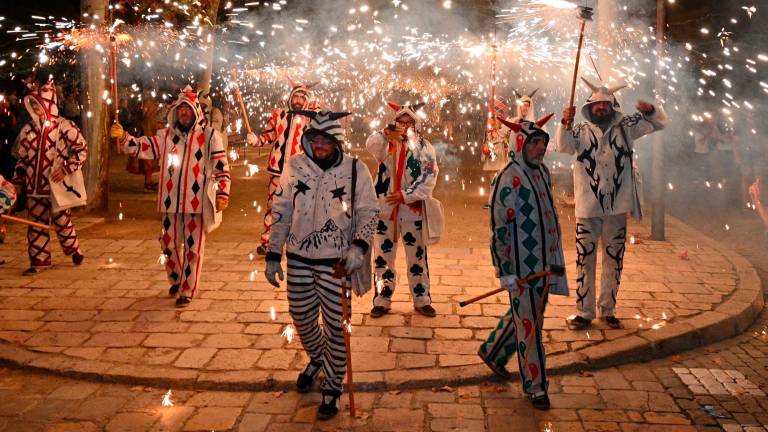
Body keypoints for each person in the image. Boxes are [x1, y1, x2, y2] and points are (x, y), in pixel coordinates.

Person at [264, 110, 378, 420]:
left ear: (337, 141)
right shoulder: (295, 166)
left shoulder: (357, 170)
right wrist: (274, 252)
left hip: (337, 264)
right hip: (299, 258)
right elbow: (281, 209)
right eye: (314, 139)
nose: (319, 144)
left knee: (337, 327)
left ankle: (332, 387)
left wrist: (358, 248)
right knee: (300, 317)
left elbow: (368, 212)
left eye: (325, 139)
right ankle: (318, 358)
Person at [556, 78, 667, 330]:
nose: (602, 108)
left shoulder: (625, 126)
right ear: (590, 107)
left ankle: (608, 309)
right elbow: (562, 147)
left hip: (617, 206)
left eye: (606, 104)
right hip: (587, 205)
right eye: (597, 104)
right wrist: (565, 122)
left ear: (613, 106)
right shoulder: (580, 129)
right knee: (585, 258)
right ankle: (584, 312)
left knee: (613, 258)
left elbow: (658, 123)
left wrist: (648, 110)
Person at [110, 85, 231, 308]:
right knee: (168, 242)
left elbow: (221, 167)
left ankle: (187, 289)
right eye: (180, 110)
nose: (184, 113)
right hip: (169, 201)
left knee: (193, 248)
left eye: (188, 110)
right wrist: (124, 137)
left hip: (196, 203)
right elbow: (142, 147)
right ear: (175, 112)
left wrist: (223, 192)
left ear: (195, 112)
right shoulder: (164, 136)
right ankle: (176, 278)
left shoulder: (209, 136)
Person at [479, 114, 566, 410]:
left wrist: (555, 258)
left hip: (543, 265)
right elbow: (499, 227)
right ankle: (536, 386)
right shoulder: (507, 177)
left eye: (543, 142)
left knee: (529, 317)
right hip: (521, 267)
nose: (540, 148)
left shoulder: (543, 172)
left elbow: (548, 216)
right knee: (530, 326)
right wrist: (505, 271)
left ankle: (492, 352)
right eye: (534, 143)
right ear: (520, 144)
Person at [366, 101, 440, 318]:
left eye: (409, 122)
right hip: (385, 210)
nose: (405, 125)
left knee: (416, 257)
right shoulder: (385, 143)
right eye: (401, 121)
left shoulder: (425, 147)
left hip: (412, 211)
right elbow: (370, 144)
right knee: (383, 256)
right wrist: (385, 133)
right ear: (395, 122)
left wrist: (406, 196)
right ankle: (382, 298)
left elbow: (429, 178)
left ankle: (421, 298)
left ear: (415, 124)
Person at [12, 79, 87, 274]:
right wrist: (18, 181)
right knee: (36, 225)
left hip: (56, 186)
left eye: (39, 104)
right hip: (34, 188)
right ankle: (39, 261)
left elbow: (81, 150)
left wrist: (66, 168)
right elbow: (21, 159)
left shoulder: (65, 127)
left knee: (62, 221)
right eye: (33, 104)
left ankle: (74, 249)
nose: (36, 108)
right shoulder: (28, 131)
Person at [250, 79, 320, 255]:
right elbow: (268, 136)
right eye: (294, 96)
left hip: (303, 173)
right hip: (278, 171)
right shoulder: (278, 115)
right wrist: (256, 140)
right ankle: (269, 242)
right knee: (274, 206)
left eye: (300, 97)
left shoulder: (312, 118)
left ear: (306, 99)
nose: (297, 99)